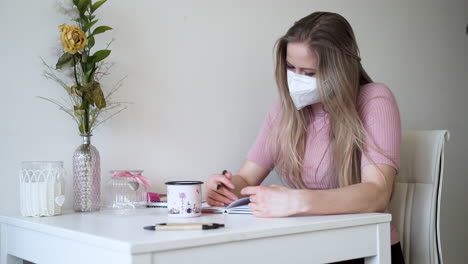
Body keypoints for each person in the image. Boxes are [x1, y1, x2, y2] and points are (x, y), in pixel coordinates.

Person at [205, 12, 405, 264]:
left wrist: (296, 200)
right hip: (308, 248)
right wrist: (224, 188)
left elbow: (377, 193)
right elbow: (246, 178)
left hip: (364, 250)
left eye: (309, 73)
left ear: (340, 70)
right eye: (290, 68)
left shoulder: (374, 99)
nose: (296, 80)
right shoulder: (283, 110)